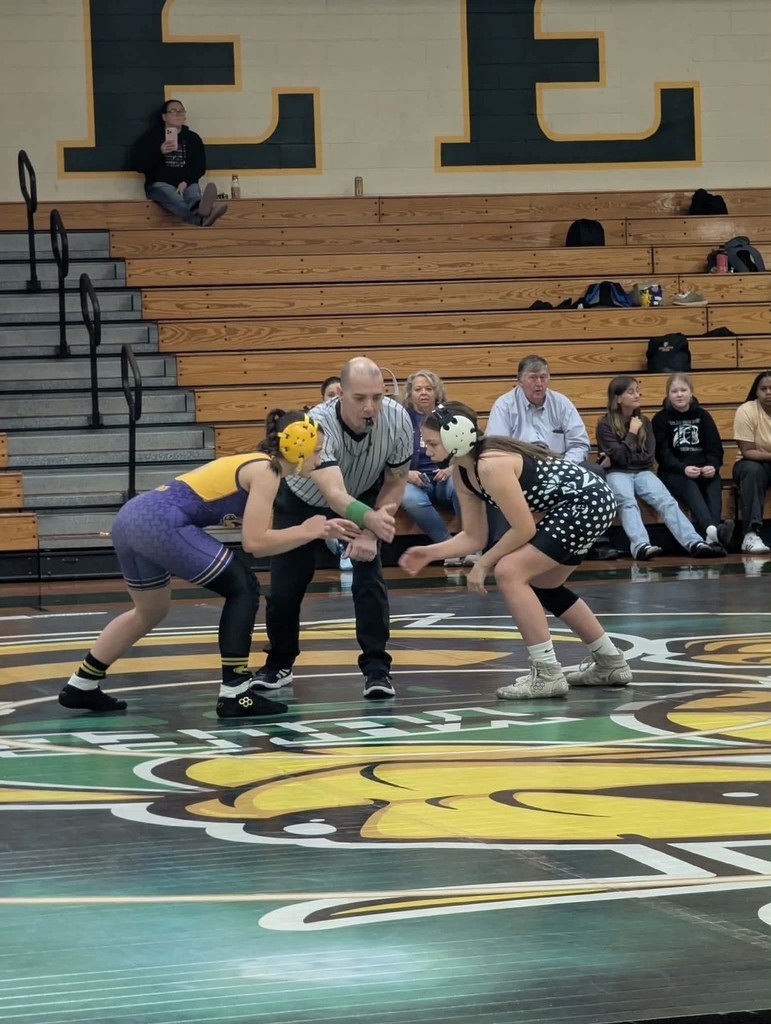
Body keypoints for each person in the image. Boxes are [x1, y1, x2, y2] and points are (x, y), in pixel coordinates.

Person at [59, 410, 357, 719]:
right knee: (243, 587)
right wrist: (309, 530)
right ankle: (235, 693)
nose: (321, 459)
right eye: (318, 450)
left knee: (150, 611)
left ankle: (82, 683)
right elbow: (255, 543)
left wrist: (312, 531)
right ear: (298, 446)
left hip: (131, 519)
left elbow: (253, 531)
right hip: (159, 523)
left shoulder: (255, 465)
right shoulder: (266, 471)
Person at [399, 401, 632, 699]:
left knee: (509, 571)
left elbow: (524, 529)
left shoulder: (490, 464)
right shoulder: (463, 471)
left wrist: (484, 564)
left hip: (586, 502)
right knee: (546, 585)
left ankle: (547, 672)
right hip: (583, 503)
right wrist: (429, 552)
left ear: (455, 436)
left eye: (431, 443)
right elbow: (474, 536)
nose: (427, 451)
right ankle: (610, 661)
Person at [251, 357, 413, 700]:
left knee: (370, 579)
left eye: (377, 397)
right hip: (304, 500)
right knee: (285, 587)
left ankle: (377, 669)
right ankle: (279, 662)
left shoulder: (398, 420)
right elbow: (335, 495)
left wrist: (372, 531)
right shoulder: (319, 425)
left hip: (364, 493)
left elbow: (397, 481)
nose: (370, 407)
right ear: (340, 394)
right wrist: (368, 520)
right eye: (359, 399)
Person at [486, 354, 619, 559]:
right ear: (520, 380)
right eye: (533, 378)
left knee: (595, 472)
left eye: (543, 377)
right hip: (520, 471)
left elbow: (579, 443)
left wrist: (563, 465)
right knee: (493, 479)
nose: (539, 383)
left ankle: (597, 543)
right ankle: (500, 546)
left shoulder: (562, 403)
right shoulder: (504, 406)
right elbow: (497, 448)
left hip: (560, 467)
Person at [597, 376, 724, 560]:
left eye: (637, 391)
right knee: (627, 501)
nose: (636, 395)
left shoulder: (645, 422)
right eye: (630, 392)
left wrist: (621, 456)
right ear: (618, 398)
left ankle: (694, 542)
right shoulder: (605, 424)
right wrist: (632, 434)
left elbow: (647, 457)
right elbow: (619, 457)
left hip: (642, 471)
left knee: (666, 501)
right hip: (616, 473)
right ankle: (640, 545)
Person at [400, 369, 475, 567]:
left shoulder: (451, 416)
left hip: (446, 475)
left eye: (428, 388)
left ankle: (471, 546)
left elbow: (467, 449)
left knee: (462, 486)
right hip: (416, 480)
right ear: (410, 394)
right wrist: (406, 474)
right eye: (418, 389)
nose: (423, 393)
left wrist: (452, 469)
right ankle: (448, 546)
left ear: (437, 392)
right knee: (408, 498)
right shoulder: (401, 419)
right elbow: (388, 457)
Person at [652, 372, 733, 549]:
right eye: (674, 391)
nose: (679, 394)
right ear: (668, 394)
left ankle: (712, 536)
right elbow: (662, 455)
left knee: (714, 482)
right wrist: (683, 468)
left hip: (703, 468)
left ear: (691, 392)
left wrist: (713, 466)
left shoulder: (703, 416)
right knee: (688, 484)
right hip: (674, 472)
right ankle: (714, 532)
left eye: (683, 390)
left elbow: (715, 447)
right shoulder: (660, 419)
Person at [131, 99, 228, 226]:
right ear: (164, 117)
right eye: (173, 111)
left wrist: (185, 181)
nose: (178, 114)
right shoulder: (150, 138)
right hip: (160, 184)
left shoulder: (193, 138)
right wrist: (159, 151)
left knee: (192, 191)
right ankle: (201, 217)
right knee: (172, 197)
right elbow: (140, 165)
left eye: (181, 111)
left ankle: (201, 208)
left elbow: (199, 167)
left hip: (185, 182)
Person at [732, 370, 771, 553]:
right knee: (753, 471)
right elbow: (747, 451)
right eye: (764, 388)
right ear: (756, 391)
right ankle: (750, 534)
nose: (768, 392)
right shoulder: (746, 410)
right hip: (751, 463)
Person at [319, 375, 351, 569]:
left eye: (336, 394)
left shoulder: (356, 423)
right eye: (329, 395)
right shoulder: (314, 424)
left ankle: (345, 547)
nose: (333, 399)